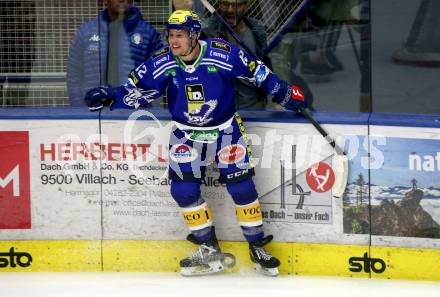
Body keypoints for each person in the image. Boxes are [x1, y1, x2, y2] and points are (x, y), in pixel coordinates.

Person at [84, 10, 309, 276]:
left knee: (242, 188)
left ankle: (257, 245)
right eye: (170, 35)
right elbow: (137, 91)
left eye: (179, 35)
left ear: (194, 35)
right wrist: (110, 96)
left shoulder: (223, 53)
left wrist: (285, 94)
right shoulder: (163, 61)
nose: (173, 41)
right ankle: (208, 250)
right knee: (183, 191)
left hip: (226, 131)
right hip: (186, 134)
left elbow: (258, 73)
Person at [66, 0, 163, 106]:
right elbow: (74, 74)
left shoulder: (148, 33)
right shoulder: (86, 32)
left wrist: (144, 107)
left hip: (132, 112)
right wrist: (79, 107)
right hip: (92, 111)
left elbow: (158, 75)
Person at [203, 0, 269, 109]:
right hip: (221, 109)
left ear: (246, 6)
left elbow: (265, 64)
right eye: (225, 4)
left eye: (236, 5)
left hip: (254, 107)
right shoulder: (208, 30)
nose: (230, 9)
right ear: (219, 5)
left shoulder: (257, 31)